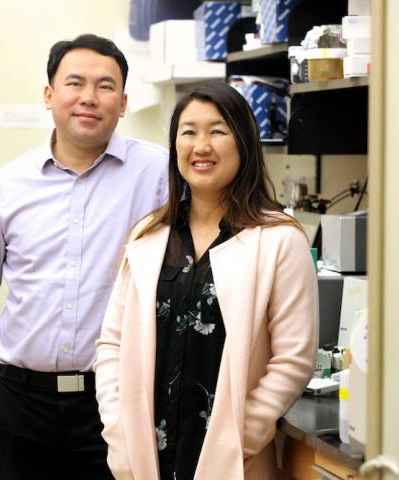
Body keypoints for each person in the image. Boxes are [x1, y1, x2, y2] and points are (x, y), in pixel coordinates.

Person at [0, 33, 168, 480]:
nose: (89, 97)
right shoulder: (10, 185)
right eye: (75, 83)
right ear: (49, 95)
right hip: (18, 406)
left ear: (123, 103)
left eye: (106, 86)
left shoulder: (160, 175)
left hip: (114, 402)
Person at [94, 81, 318, 480]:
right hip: (147, 453)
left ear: (245, 143)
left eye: (217, 131)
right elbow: (112, 344)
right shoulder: (148, 236)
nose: (201, 146)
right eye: (188, 132)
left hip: (229, 456)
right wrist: (118, 435)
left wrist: (242, 435)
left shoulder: (279, 239)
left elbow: (293, 357)